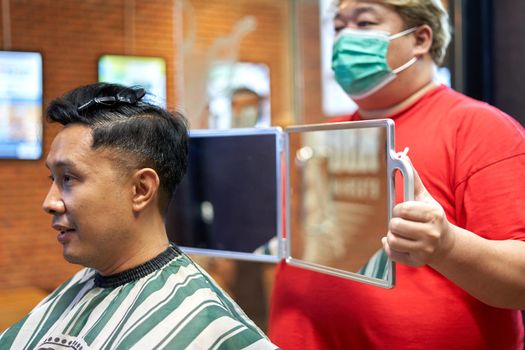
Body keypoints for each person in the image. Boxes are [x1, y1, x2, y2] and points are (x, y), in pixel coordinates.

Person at [268, 0, 525, 349]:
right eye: (339, 27)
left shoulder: (479, 129)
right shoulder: (322, 137)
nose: (345, 39)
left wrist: (447, 246)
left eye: (364, 23)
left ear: (420, 39)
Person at [0, 83, 277, 350]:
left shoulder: (208, 326)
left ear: (141, 189)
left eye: (69, 179)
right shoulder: (73, 294)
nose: (49, 202)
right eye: (53, 178)